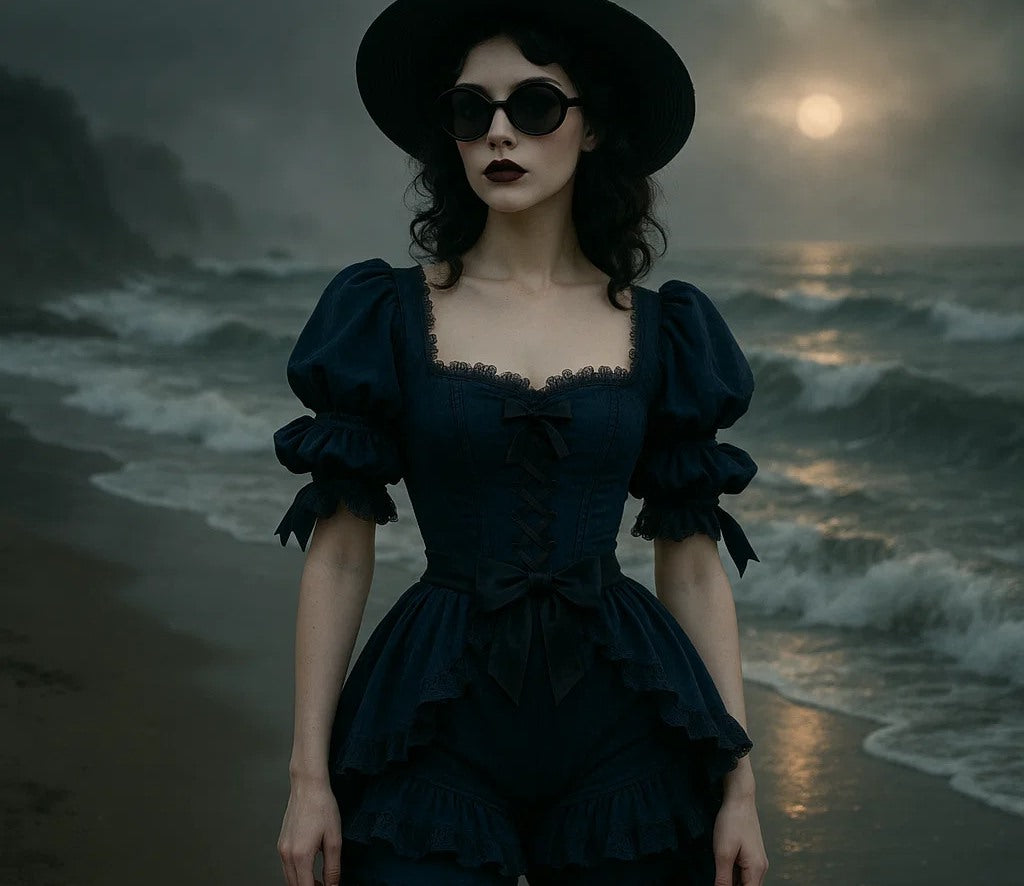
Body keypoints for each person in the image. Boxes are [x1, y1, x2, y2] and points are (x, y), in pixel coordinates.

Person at [273, 1, 768, 884]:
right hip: (430, 722)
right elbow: (340, 557)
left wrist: (741, 790)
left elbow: (691, 567)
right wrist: (308, 781)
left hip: (627, 729)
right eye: (472, 111)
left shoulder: (668, 331)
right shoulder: (384, 311)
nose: (501, 132)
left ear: (592, 128)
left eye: (534, 106)